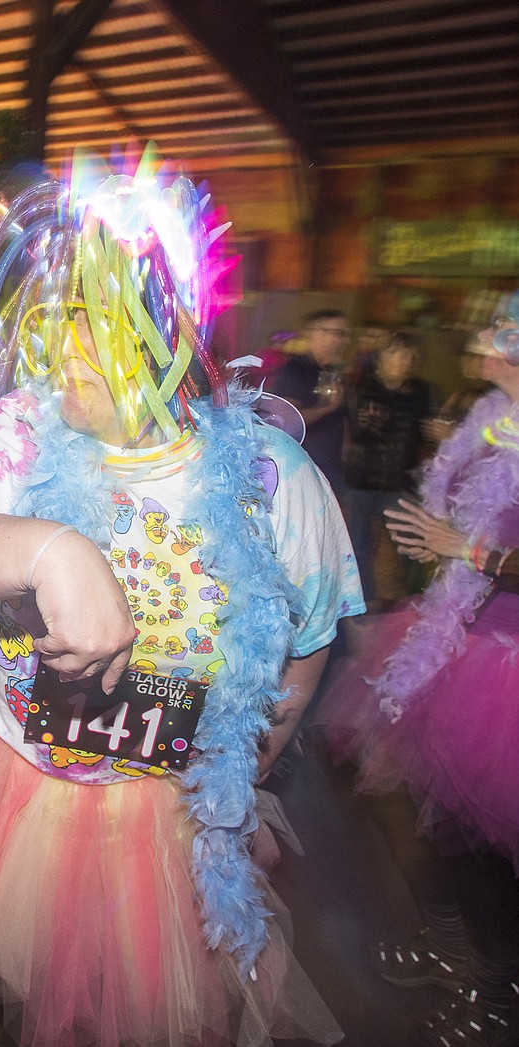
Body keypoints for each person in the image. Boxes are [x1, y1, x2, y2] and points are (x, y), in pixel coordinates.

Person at [0, 159, 363, 1047]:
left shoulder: (277, 478)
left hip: (157, 824)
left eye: (89, 326)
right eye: (50, 325)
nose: (57, 352)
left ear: (164, 331)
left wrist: (249, 760)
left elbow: (311, 642)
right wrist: (50, 548)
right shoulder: (23, 425)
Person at [316, 296, 519, 1047]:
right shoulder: (490, 418)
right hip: (454, 633)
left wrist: (469, 550)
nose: (480, 341)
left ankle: (498, 991)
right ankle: (451, 944)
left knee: (481, 835)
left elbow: (486, 548)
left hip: (504, 665)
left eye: (500, 335)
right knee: (441, 814)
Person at [343, 332, 431, 609]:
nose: (403, 361)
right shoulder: (364, 387)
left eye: (408, 356)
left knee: (410, 543)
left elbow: (424, 431)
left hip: (399, 481)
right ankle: (364, 600)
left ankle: (409, 600)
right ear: (381, 359)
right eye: (396, 354)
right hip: (362, 479)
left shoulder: (420, 391)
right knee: (358, 545)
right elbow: (363, 431)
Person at [266, 309, 352, 494]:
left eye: (346, 334)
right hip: (303, 468)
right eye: (338, 333)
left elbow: (341, 418)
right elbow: (286, 421)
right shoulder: (295, 371)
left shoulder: (330, 371)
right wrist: (327, 407)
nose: (344, 341)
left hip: (330, 466)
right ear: (315, 332)